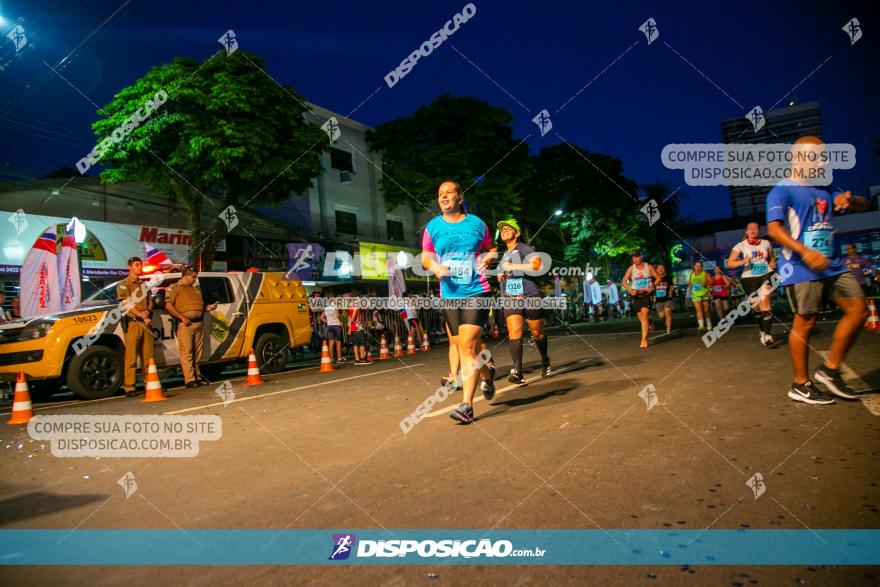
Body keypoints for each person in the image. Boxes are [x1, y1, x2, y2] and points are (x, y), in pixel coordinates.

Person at [767, 135, 869, 404]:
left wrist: (850, 200)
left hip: (833, 264)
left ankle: (829, 370)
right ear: (799, 158)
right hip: (801, 266)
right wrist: (805, 252)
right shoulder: (782, 190)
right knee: (806, 322)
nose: (823, 161)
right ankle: (800, 383)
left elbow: (861, 204)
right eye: (818, 156)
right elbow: (774, 229)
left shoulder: (825, 186)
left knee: (859, 309)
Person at [422, 180, 497, 424]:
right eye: (440, 194)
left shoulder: (477, 224)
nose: (443, 196)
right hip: (450, 295)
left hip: (477, 291)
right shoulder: (432, 227)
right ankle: (487, 374)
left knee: (466, 345)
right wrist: (435, 268)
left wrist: (487, 258)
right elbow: (425, 258)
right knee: (468, 347)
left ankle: (466, 406)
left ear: (460, 197)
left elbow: (491, 248)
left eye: (448, 192)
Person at [496, 218, 551, 384]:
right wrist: (501, 275)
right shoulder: (504, 255)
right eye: (502, 229)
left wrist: (515, 267)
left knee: (537, 333)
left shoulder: (524, 248)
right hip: (512, 299)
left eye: (508, 228)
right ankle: (518, 372)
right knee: (514, 334)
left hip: (530, 296)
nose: (504, 230)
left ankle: (544, 360)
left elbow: (538, 266)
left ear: (517, 233)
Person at [165, 266, 219, 388]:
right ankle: (189, 379)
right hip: (185, 324)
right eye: (193, 277)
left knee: (197, 353)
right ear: (186, 275)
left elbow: (199, 306)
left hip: (198, 323)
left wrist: (209, 308)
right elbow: (168, 306)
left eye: (195, 277)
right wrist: (182, 318)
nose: (195, 280)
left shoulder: (195, 290)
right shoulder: (174, 288)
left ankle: (197, 377)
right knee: (187, 352)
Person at [728, 222, 777, 346]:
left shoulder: (766, 243)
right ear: (746, 232)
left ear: (759, 230)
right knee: (756, 307)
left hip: (766, 274)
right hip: (749, 278)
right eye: (750, 228)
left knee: (765, 300)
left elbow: (771, 257)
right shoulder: (740, 245)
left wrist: (773, 262)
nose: (753, 230)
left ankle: (767, 335)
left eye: (755, 228)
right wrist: (743, 261)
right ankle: (762, 329)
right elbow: (730, 263)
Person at [116, 257, 155, 398]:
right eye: (136, 265)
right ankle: (130, 386)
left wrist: (147, 312)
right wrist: (140, 314)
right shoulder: (123, 284)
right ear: (130, 267)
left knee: (148, 356)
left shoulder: (144, 285)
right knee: (131, 357)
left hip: (146, 323)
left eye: (141, 265)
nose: (140, 267)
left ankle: (149, 383)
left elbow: (150, 302)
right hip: (133, 323)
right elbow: (126, 304)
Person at [622, 251, 660, 348]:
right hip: (636, 295)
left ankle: (643, 340)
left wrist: (652, 285)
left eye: (637, 257)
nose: (635, 259)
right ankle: (649, 321)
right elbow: (624, 281)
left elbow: (658, 278)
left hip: (647, 294)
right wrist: (630, 290)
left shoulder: (648, 267)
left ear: (641, 257)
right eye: (633, 258)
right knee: (642, 318)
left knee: (644, 314)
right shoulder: (631, 268)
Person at [688, 260, 712, 331]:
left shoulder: (705, 274)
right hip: (695, 294)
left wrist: (705, 283)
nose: (698, 267)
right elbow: (690, 283)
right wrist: (691, 288)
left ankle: (709, 323)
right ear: (694, 267)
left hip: (704, 293)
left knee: (706, 310)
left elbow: (711, 281)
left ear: (702, 267)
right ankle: (701, 325)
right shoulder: (692, 274)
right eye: (696, 266)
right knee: (699, 310)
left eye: (699, 266)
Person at [654, 263, 674, 334]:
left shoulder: (668, 277)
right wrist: (653, 297)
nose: (660, 269)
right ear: (656, 270)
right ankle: (667, 321)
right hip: (658, 300)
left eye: (662, 268)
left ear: (664, 269)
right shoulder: (654, 278)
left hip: (667, 298)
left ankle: (668, 329)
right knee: (661, 316)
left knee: (668, 312)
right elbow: (652, 288)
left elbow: (672, 285)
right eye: (659, 268)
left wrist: (671, 291)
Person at [321, 297, 343, 363]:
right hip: (336, 325)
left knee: (331, 342)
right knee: (338, 342)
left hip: (329, 326)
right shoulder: (335, 307)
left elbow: (321, 317)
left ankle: (332, 358)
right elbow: (337, 315)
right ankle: (339, 358)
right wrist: (341, 320)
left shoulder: (326, 308)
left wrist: (327, 321)